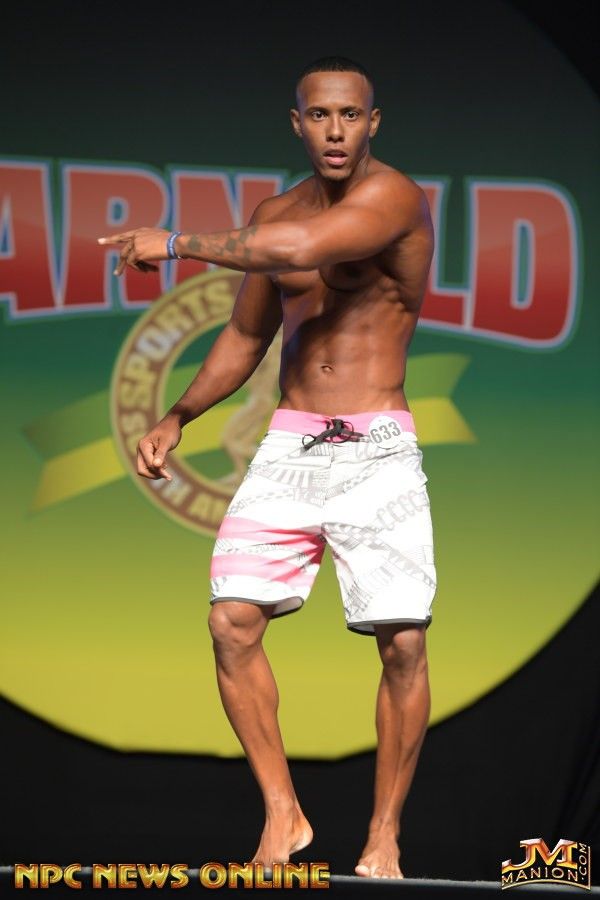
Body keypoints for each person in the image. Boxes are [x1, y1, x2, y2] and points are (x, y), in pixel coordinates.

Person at [99, 56, 436, 880]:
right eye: (319, 115)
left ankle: (383, 835)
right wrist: (177, 416)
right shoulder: (273, 212)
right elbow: (249, 335)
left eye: (350, 115)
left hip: (376, 444)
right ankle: (283, 813)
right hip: (291, 444)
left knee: (401, 641)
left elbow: (306, 246)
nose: (335, 130)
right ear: (297, 123)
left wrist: (173, 242)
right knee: (231, 623)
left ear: (373, 122)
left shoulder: (394, 198)